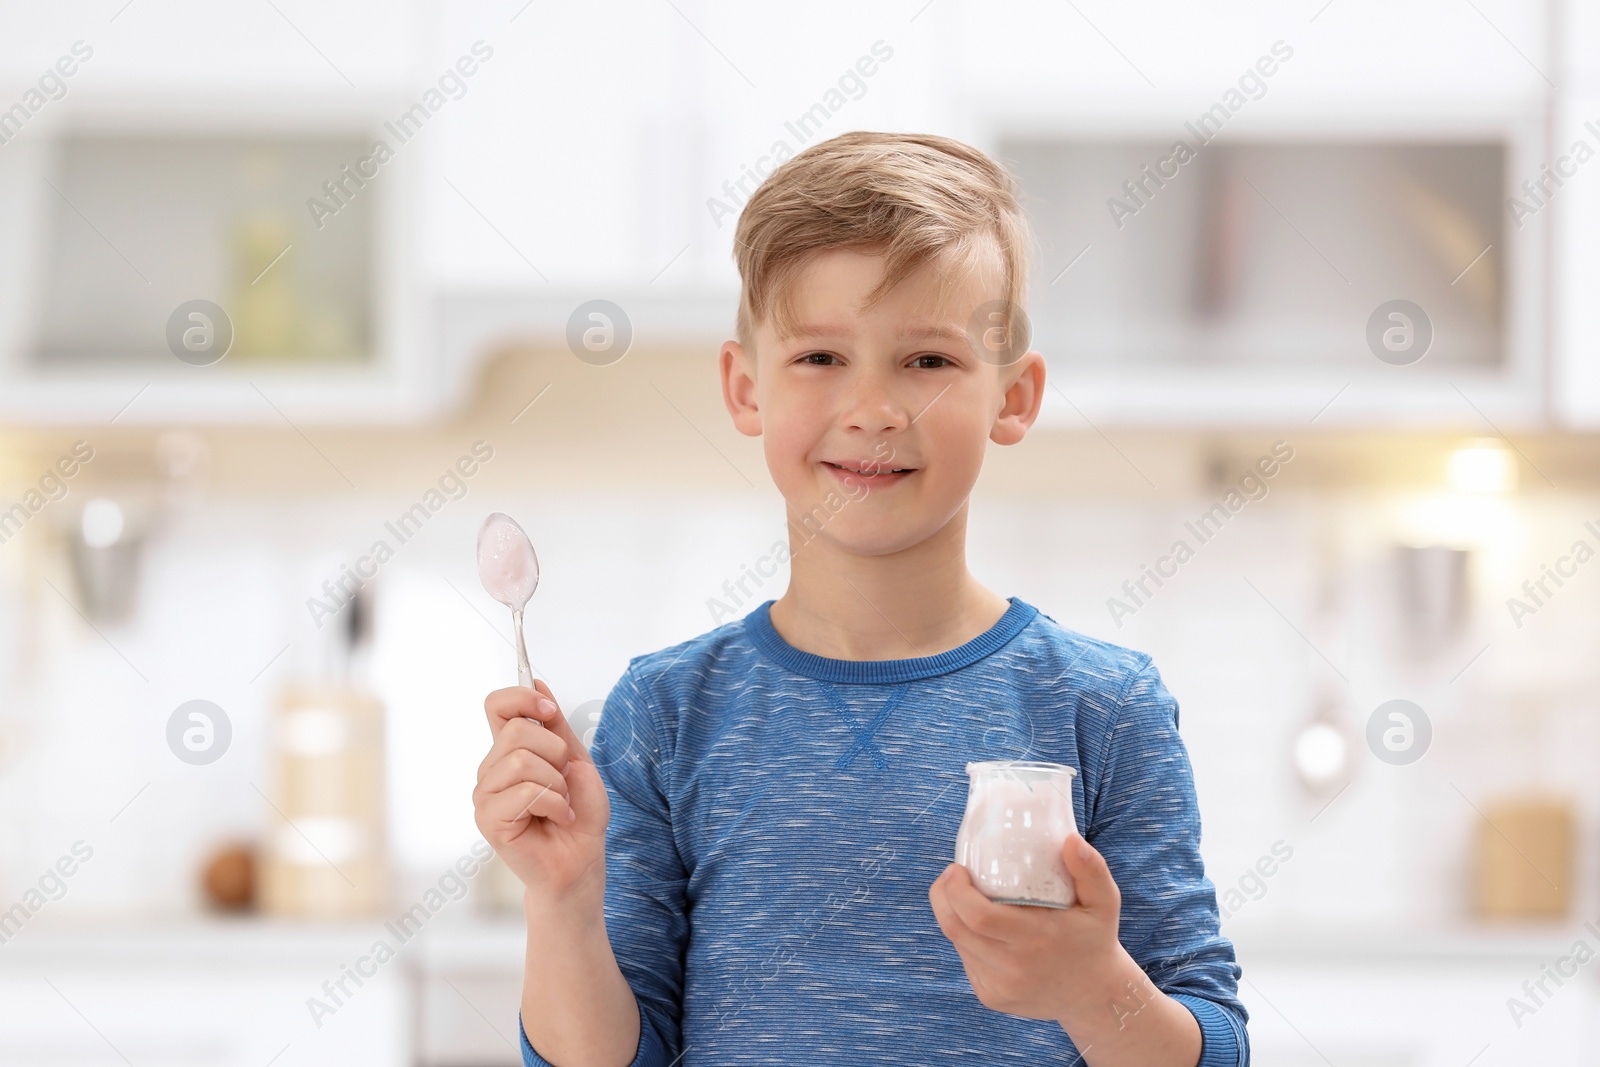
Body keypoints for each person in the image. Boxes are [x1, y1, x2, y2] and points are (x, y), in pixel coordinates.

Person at [472, 130, 1249, 1066]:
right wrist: (560, 897)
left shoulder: (1104, 708)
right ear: (744, 384)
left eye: (927, 361)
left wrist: (1095, 988)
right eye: (820, 358)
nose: (874, 407)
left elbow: (1212, 1047)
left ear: (1014, 397)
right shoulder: (667, 712)